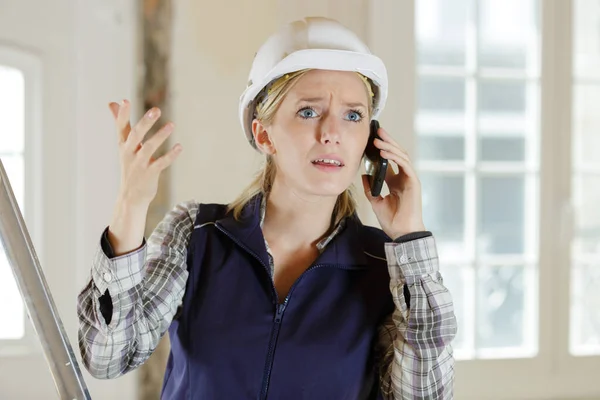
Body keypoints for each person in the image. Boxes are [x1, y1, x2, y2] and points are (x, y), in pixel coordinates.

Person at [77, 16, 457, 400]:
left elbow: (424, 396)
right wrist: (130, 207)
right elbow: (107, 357)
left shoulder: (385, 266)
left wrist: (410, 240)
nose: (332, 133)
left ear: (371, 142)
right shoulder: (195, 235)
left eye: (353, 115)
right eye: (308, 111)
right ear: (263, 134)